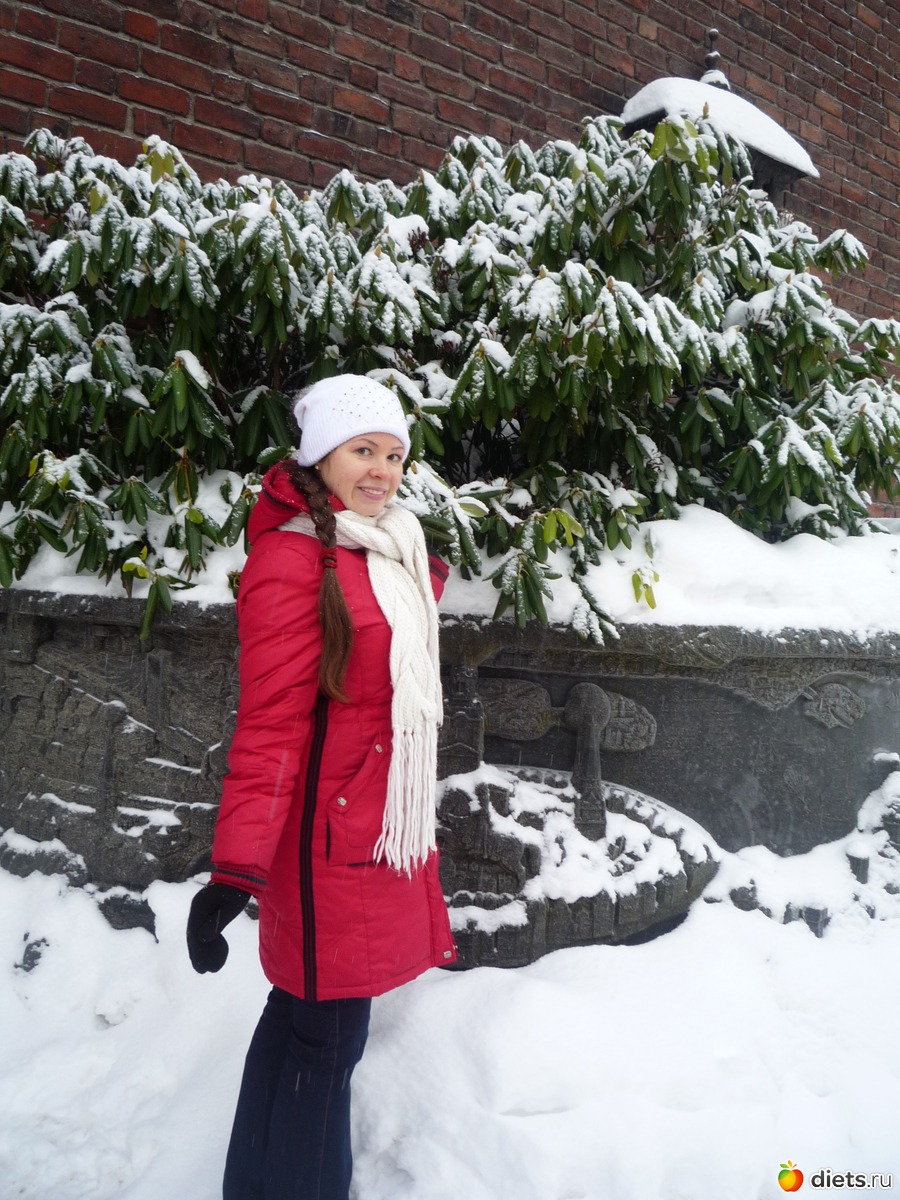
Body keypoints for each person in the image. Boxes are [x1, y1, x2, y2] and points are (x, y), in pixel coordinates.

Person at [186, 374, 456, 1200]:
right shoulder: (293, 560)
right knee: (329, 1041)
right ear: (319, 456)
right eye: (362, 450)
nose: (382, 470)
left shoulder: (384, 547)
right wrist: (234, 874)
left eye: (394, 454)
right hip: (327, 850)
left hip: (370, 832)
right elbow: (270, 729)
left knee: (305, 1022)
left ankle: (251, 1185)